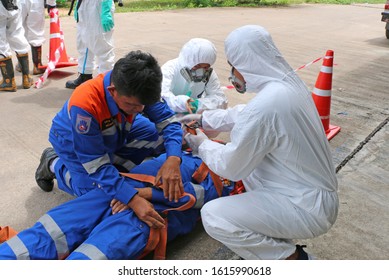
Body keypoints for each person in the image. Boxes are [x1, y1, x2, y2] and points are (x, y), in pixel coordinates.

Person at [181, 25, 339, 260]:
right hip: (311, 195)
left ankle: (294, 261)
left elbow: (232, 167)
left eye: (234, 66)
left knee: (215, 216)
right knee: (254, 168)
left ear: (246, 64)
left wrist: (201, 143)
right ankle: (278, 245)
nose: (233, 74)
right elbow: (246, 114)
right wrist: (204, 117)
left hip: (303, 205)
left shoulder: (267, 105)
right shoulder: (286, 87)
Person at [35, 51, 185, 229]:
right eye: (132, 105)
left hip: (112, 130)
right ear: (112, 91)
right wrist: (133, 199)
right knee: (95, 194)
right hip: (72, 142)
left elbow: (168, 122)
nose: (140, 109)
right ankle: (53, 163)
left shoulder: (140, 85)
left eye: (143, 105)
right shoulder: (85, 106)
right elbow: (96, 164)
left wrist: (174, 158)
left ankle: (114, 174)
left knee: (150, 133)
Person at [0, 151, 235, 260]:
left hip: (128, 197)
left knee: (66, 237)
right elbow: (197, 195)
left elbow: (196, 195)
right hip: (122, 193)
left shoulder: (218, 174)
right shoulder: (214, 166)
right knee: (60, 234)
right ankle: (54, 163)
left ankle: (53, 163)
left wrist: (140, 194)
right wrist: (133, 195)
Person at [161, 38, 228, 115]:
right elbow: (162, 97)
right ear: (188, 60)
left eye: (205, 67)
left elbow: (220, 99)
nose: (200, 72)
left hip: (193, 118)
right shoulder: (169, 69)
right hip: (168, 118)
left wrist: (198, 105)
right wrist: (182, 104)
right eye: (197, 66)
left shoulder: (209, 74)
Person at [65, 0, 115, 89]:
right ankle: (85, 75)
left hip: (100, 4)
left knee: (102, 45)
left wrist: (106, 8)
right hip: (84, 5)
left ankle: (105, 83)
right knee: (83, 43)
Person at [16, 0, 56, 76]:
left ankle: (21, 65)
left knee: (18, 31)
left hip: (18, 2)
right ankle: (37, 66)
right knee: (36, 31)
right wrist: (51, 3)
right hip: (36, 2)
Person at [0, 0, 33, 92]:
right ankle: (27, 78)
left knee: (1, 43)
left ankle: (8, 81)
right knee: (17, 35)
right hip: (14, 4)